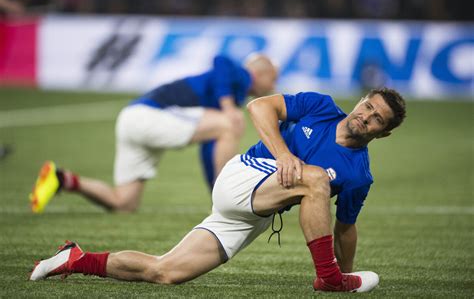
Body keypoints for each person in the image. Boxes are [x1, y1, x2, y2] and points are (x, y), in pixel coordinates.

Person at [30, 87, 406, 292]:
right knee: (315, 178)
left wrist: (349, 274)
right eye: (368, 106)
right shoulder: (320, 106)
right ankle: (328, 280)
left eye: (377, 119)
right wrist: (283, 155)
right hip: (242, 175)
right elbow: (259, 107)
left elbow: (345, 228)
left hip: (255, 213)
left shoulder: (360, 175)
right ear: (360, 100)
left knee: (166, 272)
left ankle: (76, 258)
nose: (366, 116)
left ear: (383, 133)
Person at [29, 53, 278, 213]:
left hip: (131, 121)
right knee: (229, 123)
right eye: (273, 80)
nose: (273, 87)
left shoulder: (229, 96)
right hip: (147, 116)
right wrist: (227, 107)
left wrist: (213, 191)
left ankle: (62, 178)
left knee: (124, 203)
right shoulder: (241, 75)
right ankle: (234, 196)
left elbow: (209, 149)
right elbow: (220, 59)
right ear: (262, 73)